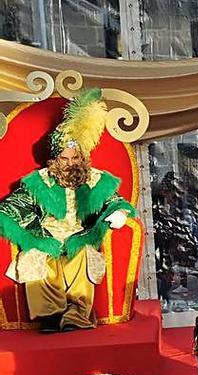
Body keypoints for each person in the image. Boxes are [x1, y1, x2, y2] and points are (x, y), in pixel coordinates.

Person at [0, 88, 136, 332]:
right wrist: (30, 237)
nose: (71, 164)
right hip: (47, 236)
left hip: (79, 236)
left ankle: (76, 315)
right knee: (36, 257)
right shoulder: (38, 183)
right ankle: (51, 316)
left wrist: (119, 212)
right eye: (65, 159)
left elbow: (115, 201)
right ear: (54, 160)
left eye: (76, 159)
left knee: (81, 254)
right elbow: (9, 209)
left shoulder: (95, 180)